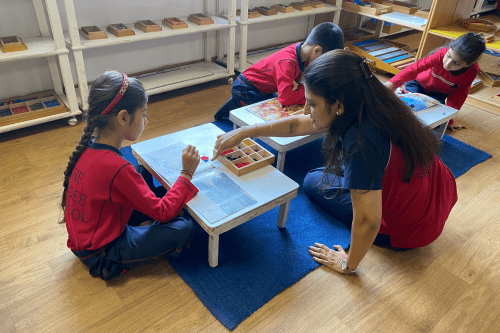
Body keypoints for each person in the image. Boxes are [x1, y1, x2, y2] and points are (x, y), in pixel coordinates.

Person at [213, 50, 457, 275]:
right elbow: (299, 123)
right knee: (324, 175)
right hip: (435, 197)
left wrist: (347, 264)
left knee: (312, 181)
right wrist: (246, 131)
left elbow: (368, 221)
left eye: (313, 103)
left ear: (339, 105)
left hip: (409, 230)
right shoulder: (370, 98)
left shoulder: (361, 143)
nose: (307, 110)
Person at [60, 71, 200, 281]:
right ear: (123, 118)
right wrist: (186, 173)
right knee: (184, 228)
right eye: (143, 113)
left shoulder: (88, 149)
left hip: (89, 236)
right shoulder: (116, 168)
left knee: (141, 173)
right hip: (102, 254)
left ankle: (144, 224)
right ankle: (145, 231)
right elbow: (162, 212)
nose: (145, 119)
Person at [213, 22, 344, 120]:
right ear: (316, 50)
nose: (322, 64)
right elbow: (286, 98)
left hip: (262, 88)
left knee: (277, 102)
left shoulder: (301, 53)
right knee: (263, 117)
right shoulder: (287, 62)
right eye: (323, 60)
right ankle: (234, 109)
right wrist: (310, 95)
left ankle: (233, 106)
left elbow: (298, 82)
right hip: (246, 89)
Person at [384, 32, 485, 131]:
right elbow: (414, 69)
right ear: (449, 49)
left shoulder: (472, 71)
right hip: (417, 84)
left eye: (457, 63)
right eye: (448, 56)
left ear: (467, 65)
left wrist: (448, 120)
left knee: (435, 119)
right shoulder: (440, 54)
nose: (448, 64)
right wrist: (392, 83)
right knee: (409, 107)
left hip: (437, 94)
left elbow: (459, 95)